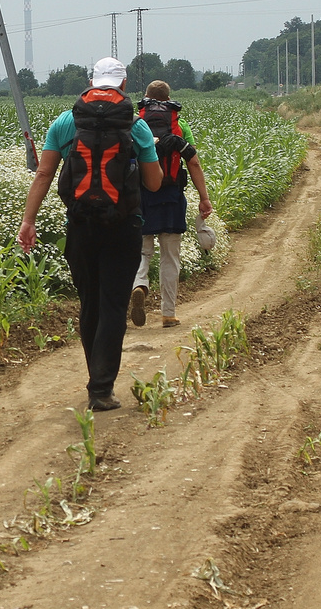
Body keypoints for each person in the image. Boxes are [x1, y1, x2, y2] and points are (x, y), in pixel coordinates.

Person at [18, 57, 162, 411]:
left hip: (81, 227)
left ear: (91, 83)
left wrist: (28, 221)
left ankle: (94, 377)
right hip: (123, 228)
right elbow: (154, 183)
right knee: (114, 305)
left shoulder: (66, 122)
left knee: (90, 305)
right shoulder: (137, 126)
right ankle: (101, 389)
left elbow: (44, 175)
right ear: (124, 85)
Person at [129, 81, 214, 328]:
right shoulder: (180, 126)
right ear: (169, 99)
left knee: (142, 252)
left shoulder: (136, 124)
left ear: (145, 98)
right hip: (172, 197)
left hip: (141, 196)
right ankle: (168, 313)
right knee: (170, 256)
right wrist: (204, 197)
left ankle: (140, 285)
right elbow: (193, 163)